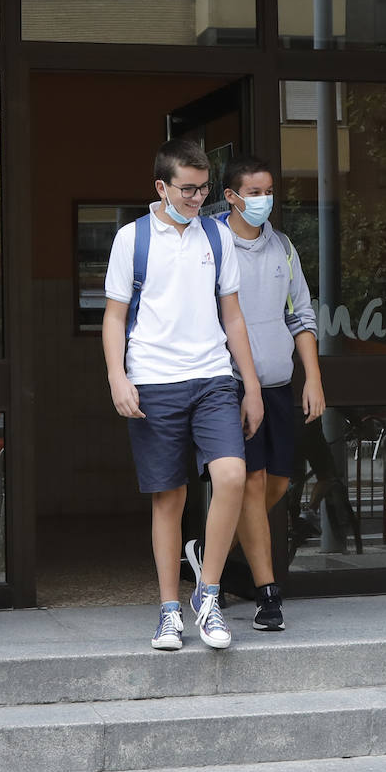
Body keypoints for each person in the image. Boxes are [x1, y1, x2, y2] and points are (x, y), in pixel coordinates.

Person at [102, 138, 264, 652]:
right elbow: (114, 316)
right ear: (161, 187)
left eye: (203, 189)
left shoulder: (217, 238)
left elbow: (232, 315)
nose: (197, 198)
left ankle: (208, 594)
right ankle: (169, 610)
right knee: (168, 498)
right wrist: (117, 377)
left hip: (214, 376)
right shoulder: (132, 239)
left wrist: (251, 385)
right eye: (187, 189)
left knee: (232, 475)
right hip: (153, 381)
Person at [214, 154, 324, 630]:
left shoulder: (282, 247)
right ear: (231, 196)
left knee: (277, 483)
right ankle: (267, 594)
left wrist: (313, 378)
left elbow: (301, 314)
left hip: (279, 384)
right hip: (232, 384)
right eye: (253, 192)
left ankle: (212, 551)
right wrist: (244, 384)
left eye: (268, 191)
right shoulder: (212, 243)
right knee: (252, 483)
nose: (264, 200)